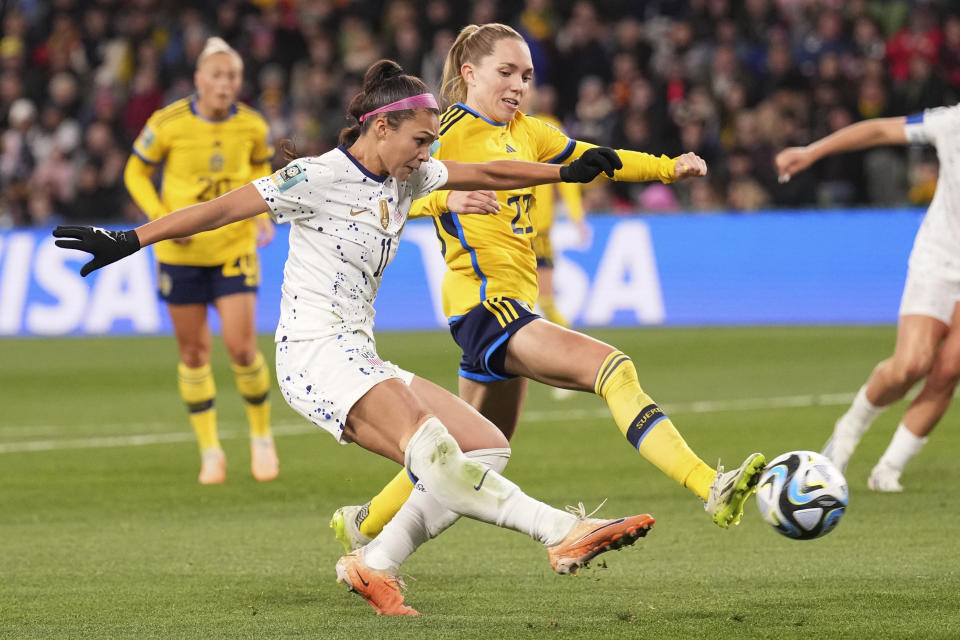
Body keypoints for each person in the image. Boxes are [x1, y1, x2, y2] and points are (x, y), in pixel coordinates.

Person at [54, 60, 655, 617]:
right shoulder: (315, 177)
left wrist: (563, 172)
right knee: (434, 453)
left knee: (485, 445)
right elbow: (222, 210)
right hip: (313, 356)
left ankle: (374, 563)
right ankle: (561, 531)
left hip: (359, 353)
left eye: (432, 145)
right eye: (420, 141)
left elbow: (490, 170)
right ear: (383, 126)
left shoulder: (408, 177)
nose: (428, 155)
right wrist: (132, 239)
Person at [330, 24, 765, 553]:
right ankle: (709, 486)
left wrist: (667, 169)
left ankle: (365, 524)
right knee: (614, 369)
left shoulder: (529, 132)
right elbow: (390, 189)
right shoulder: (442, 132)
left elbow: (597, 158)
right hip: (484, 306)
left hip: (511, 305)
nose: (518, 85)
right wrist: (448, 200)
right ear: (469, 74)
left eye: (527, 76)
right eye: (506, 72)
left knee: (469, 450)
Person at [776, 105, 960, 492]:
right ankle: (845, 434)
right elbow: (878, 131)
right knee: (912, 364)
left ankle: (888, 469)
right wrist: (812, 151)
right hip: (941, 256)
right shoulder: (951, 123)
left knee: (948, 369)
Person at [123, 38, 278, 484]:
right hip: (180, 252)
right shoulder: (167, 122)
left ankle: (261, 438)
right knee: (193, 353)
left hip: (233, 248)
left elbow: (261, 170)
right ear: (199, 80)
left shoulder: (252, 125)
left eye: (232, 76)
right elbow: (135, 171)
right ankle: (210, 450)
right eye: (217, 75)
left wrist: (264, 212)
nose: (225, 84)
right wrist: (161, 218)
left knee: (242, 347)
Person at [526, 84, 589, 329]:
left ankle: (573, 352)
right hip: (505, 229)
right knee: (515, 303)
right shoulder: (494, 128)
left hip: (538, 229)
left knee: (546, 302)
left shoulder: (547, 126)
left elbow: (568, 173)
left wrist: (576, 214)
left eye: (528, 85)